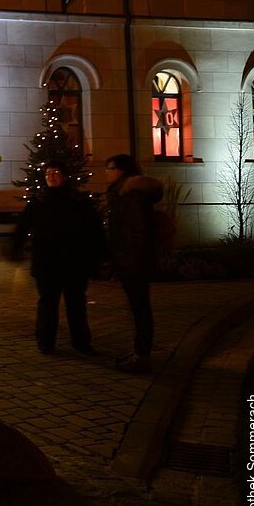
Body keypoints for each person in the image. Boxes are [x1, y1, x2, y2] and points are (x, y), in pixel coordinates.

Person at [13, 161, 105, 356]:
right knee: (47, 303)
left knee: (76, 303)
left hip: (74, 261)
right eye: (48, 173)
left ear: (64, 176)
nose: (51, 176)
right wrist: (15, 248)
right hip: (47, 262)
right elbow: (23, 227)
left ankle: (81, 341)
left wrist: (101, 253)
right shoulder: (38, 201)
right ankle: (46, 341)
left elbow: (95, 229)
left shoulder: (78, 201)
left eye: (55, 172)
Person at [104, 154, 163, 374]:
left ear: (121, 170)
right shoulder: (123, 192)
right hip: (130, 259)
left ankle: (142, 356)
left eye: (110, 168)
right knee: (138, 309)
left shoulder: (132, 194)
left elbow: (140, 231)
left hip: (134, 261)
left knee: (140, 310)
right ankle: (140, 352)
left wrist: (132, 260)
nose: (107, 172)